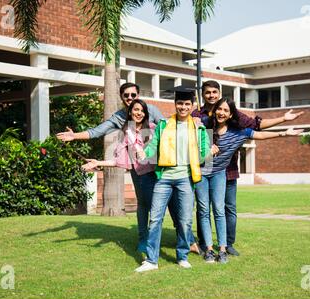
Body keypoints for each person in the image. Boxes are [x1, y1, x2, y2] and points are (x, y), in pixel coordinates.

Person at [57, 82, 202, 255]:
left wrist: (193, 121)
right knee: (144, 205)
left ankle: (187, 239)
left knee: (174, 203)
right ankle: (143, 239)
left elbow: (170, 129)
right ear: (121, 98)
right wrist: (74, 136)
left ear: (138, 95)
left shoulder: (152, 111)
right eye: (126, 96)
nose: (130, 98)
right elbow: (97, 131)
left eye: (133, 95)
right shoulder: (120, 118)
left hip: (161, 166)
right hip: (140, 169)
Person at [192, 80, 305, 256]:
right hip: (203, 168)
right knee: (203, 208)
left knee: (226, 208)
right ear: (203, 94)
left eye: (215, 92)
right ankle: (205, 244)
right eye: (208, 92)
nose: (211, 95)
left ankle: (227, 245)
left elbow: (256, 127)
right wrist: (193, 123)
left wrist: (283, 122)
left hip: (226, 170)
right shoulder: (199, 115)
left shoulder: (232, 114)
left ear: (220, 94)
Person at [134, 87, 214, 272]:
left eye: (187, 104)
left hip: (186, 178)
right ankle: (151, 261)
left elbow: (204, 156)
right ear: (175, 104)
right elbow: (153, 145)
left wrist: (210, 152)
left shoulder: (199, 127)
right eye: (180, 103)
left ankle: (182, 256)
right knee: (155, 219)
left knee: (185, 220)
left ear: (192, 105)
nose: (183, 107)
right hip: (164, 178)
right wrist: (142, 153)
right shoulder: (163, 124)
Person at [82, 99, 156, 254]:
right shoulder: (126, 131)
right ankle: (143, 239)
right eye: (136, 110)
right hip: (138, 174)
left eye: (142, 111)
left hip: (155, 173)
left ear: (146, 113)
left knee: (156, 208)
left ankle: (176, 239)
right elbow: (120, 159)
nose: (139, 113)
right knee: (142, 206)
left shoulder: (152, 129)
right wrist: (98, 162)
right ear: (130, 112)